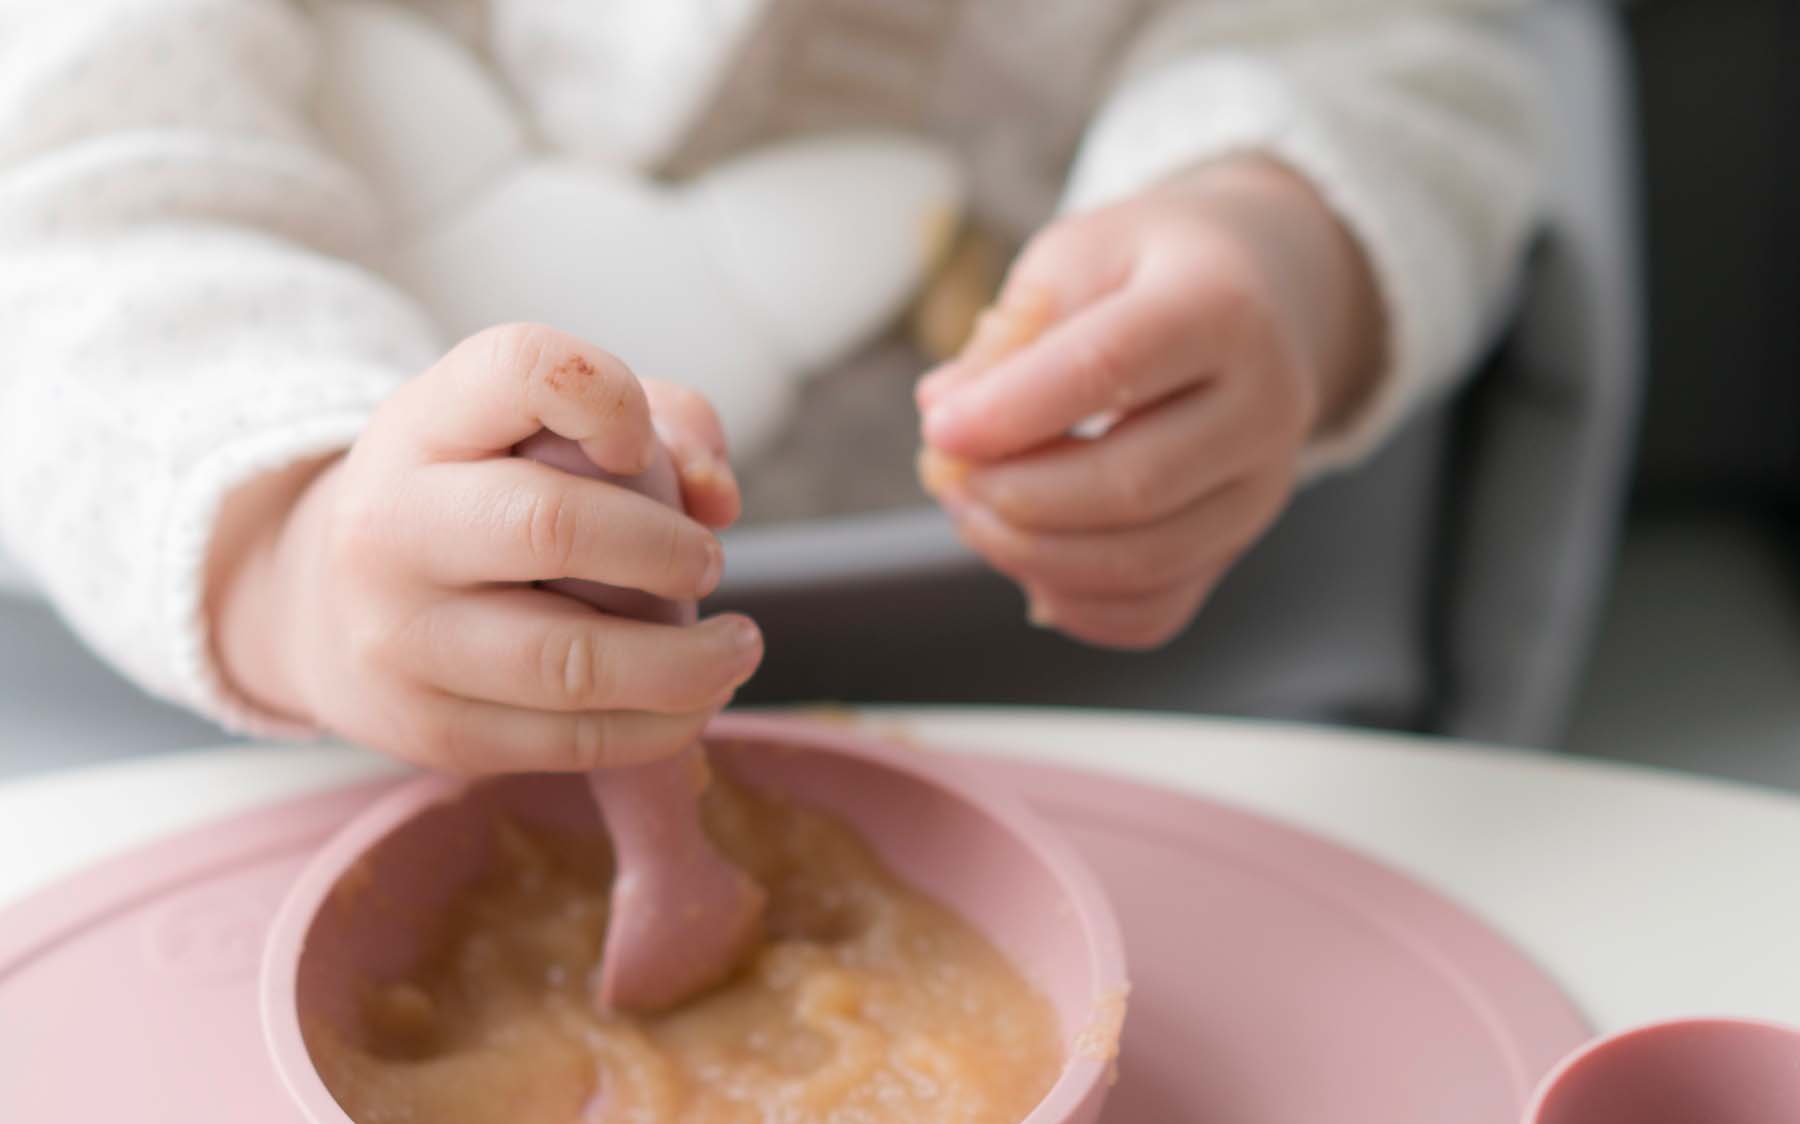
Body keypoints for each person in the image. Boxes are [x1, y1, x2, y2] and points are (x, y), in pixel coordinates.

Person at [0, 1, 1543, 775]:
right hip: (324, 727)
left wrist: (1271, 235)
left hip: (1097, 678)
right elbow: (82, 209)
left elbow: (1388, 52)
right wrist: (291, 547)